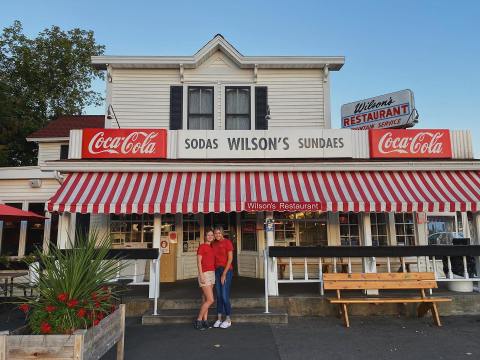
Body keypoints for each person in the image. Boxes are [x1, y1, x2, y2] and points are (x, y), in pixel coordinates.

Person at [212, 226, 234, 329]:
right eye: (215, 233)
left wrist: (224, 274)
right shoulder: (213, 243)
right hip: (217, 271)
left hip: (226, 270)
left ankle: (228, 319)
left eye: (219, 233)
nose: (217, 235)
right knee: (219, 295)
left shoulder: (227, 242)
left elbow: (230, 259)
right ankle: (219, 318)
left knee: (225, 295)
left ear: (222, 233)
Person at [194, 229, 216, 330]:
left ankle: (205, 321)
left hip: (212, 274)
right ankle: (198, 320)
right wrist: (201, 275)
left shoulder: (212, 247)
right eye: (208, 235)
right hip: (205, 274)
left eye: (212, 235)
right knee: (211, 300)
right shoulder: (202, 247)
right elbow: (198, 262)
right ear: (205, 236)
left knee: (206, 299)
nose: (210, 236)